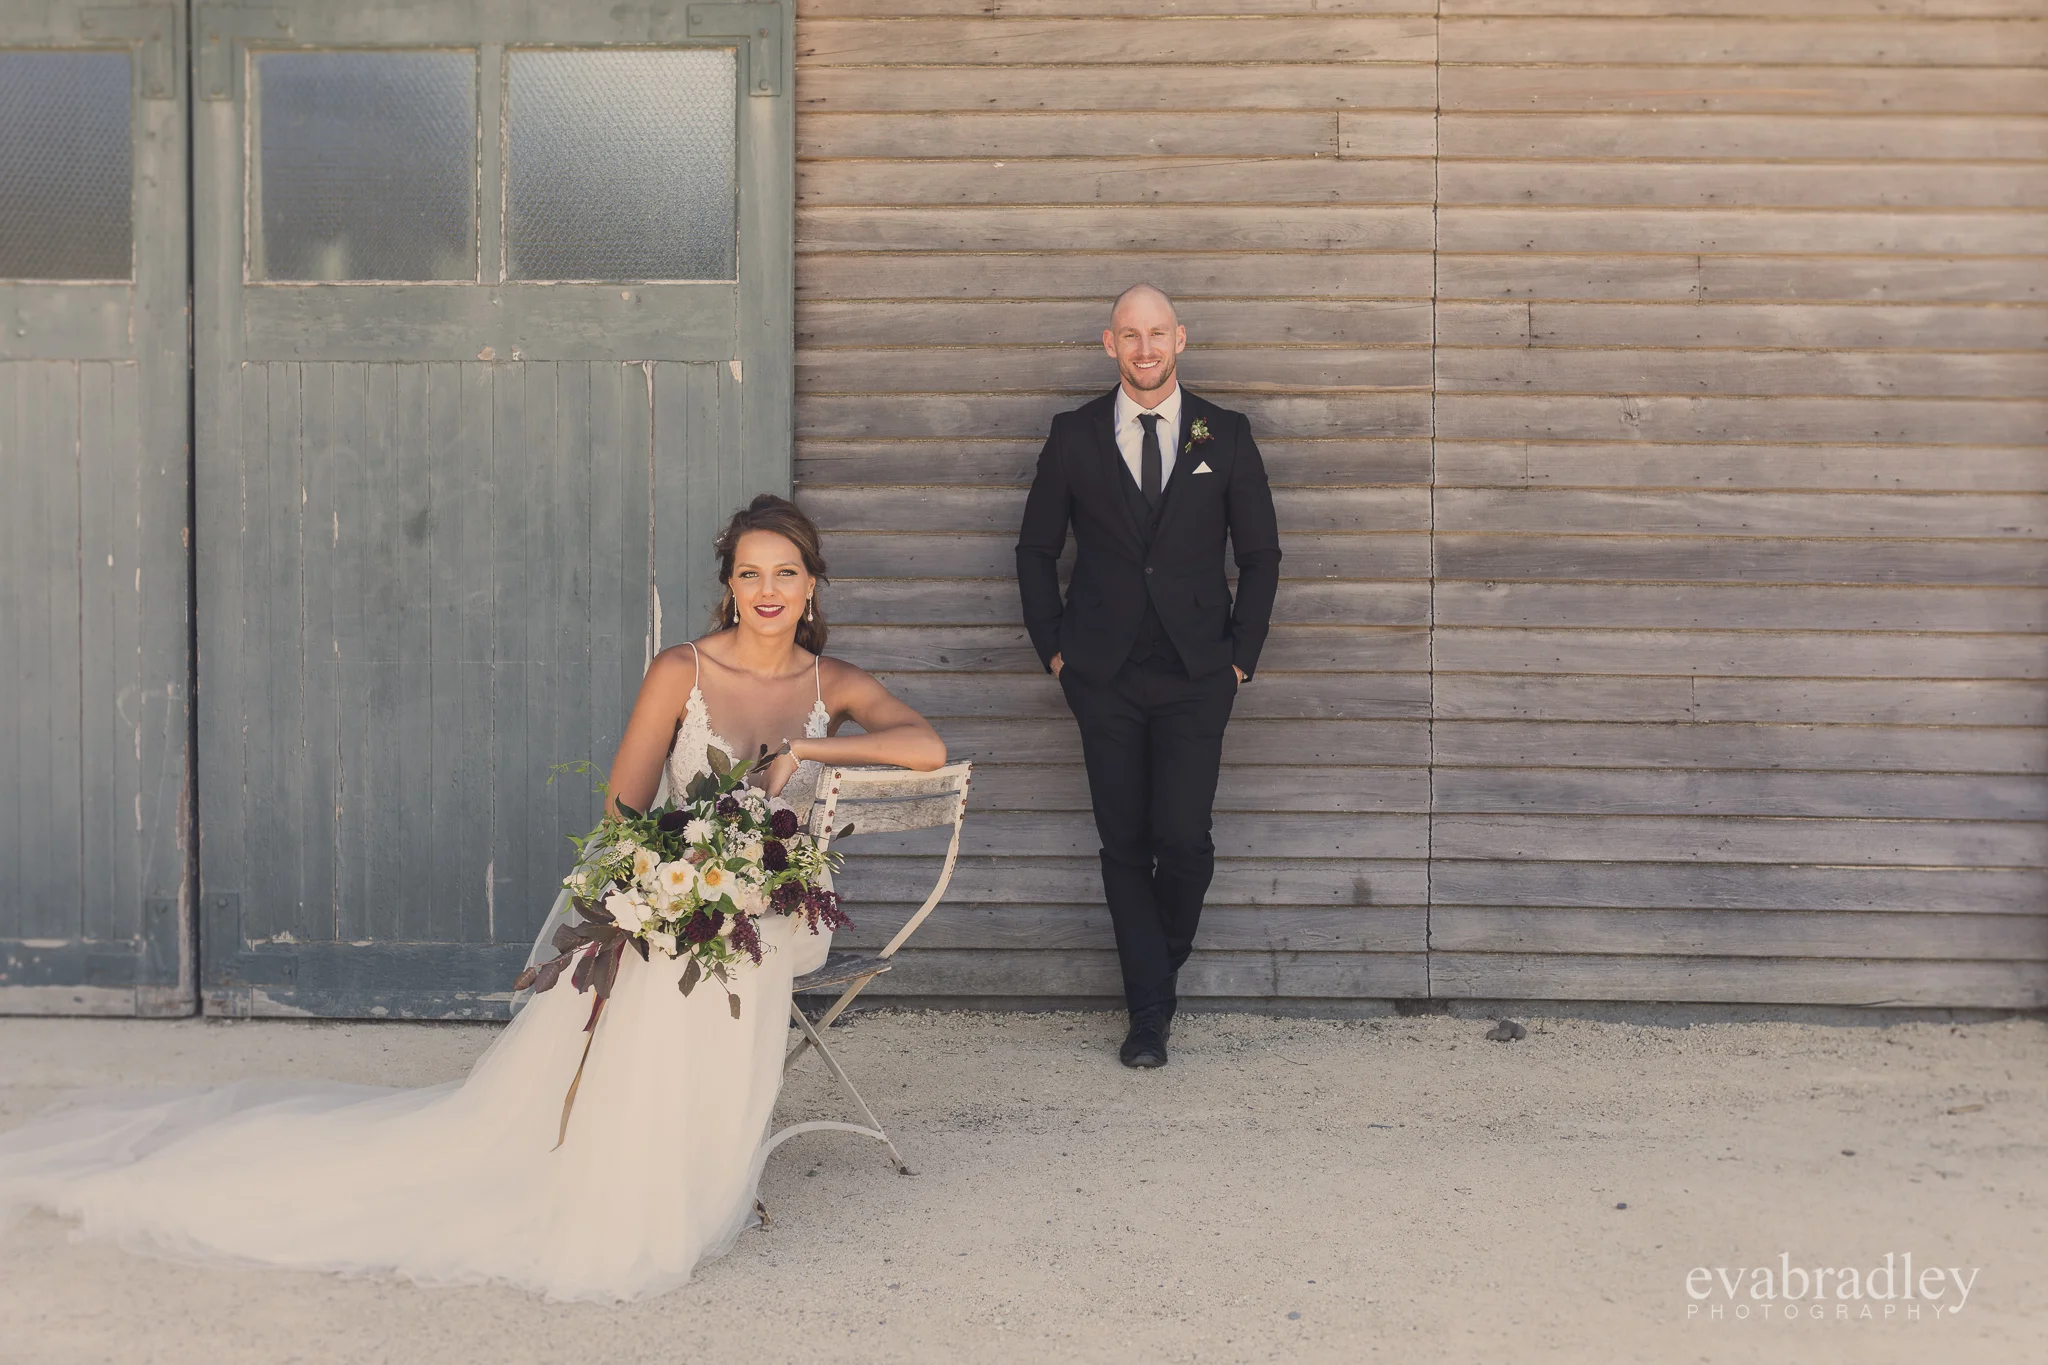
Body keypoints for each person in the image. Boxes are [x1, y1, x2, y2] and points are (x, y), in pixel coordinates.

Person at [0, 494, 945, 1302]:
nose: (768, 590)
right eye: (750, 574)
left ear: (811, 585)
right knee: (679, 955)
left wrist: (808, 748)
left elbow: (925, 746)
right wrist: (673, 881)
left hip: (777, 911)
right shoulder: (682, 669)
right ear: (729, 585)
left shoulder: (832, 683)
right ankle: (634, 1181)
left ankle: (695, 1163)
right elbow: (622, 811)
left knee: (744, 946)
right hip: (670, 885)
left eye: (786, 573)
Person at [1014, 285, 1281, 1068]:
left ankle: (1154, 971)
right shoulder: (1074, 436)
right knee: (1124, 841)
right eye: (1130, 335)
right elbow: (1034, 550)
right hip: (1102, 673)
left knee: (1184, 838)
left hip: (1199, 672)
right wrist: (1055, 651)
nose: (1145, 348)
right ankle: (1148, 1016)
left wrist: (1240, 658)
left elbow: (1261, 556)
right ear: (1110, 344)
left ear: (1180, 339)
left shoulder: (1224, 434)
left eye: (1157, 332)